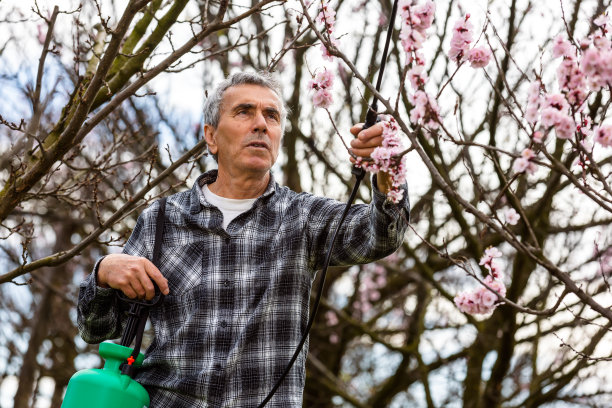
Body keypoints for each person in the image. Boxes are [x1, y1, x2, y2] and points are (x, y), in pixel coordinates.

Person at [78, 71, 410, 407]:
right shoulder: (161, 219)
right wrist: (104, 273)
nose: (261, 124)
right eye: (244, 112)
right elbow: (97, 330)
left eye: (272, 115)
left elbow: (380, 236)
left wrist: (387, 168)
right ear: (211, 137)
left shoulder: (304, 217)